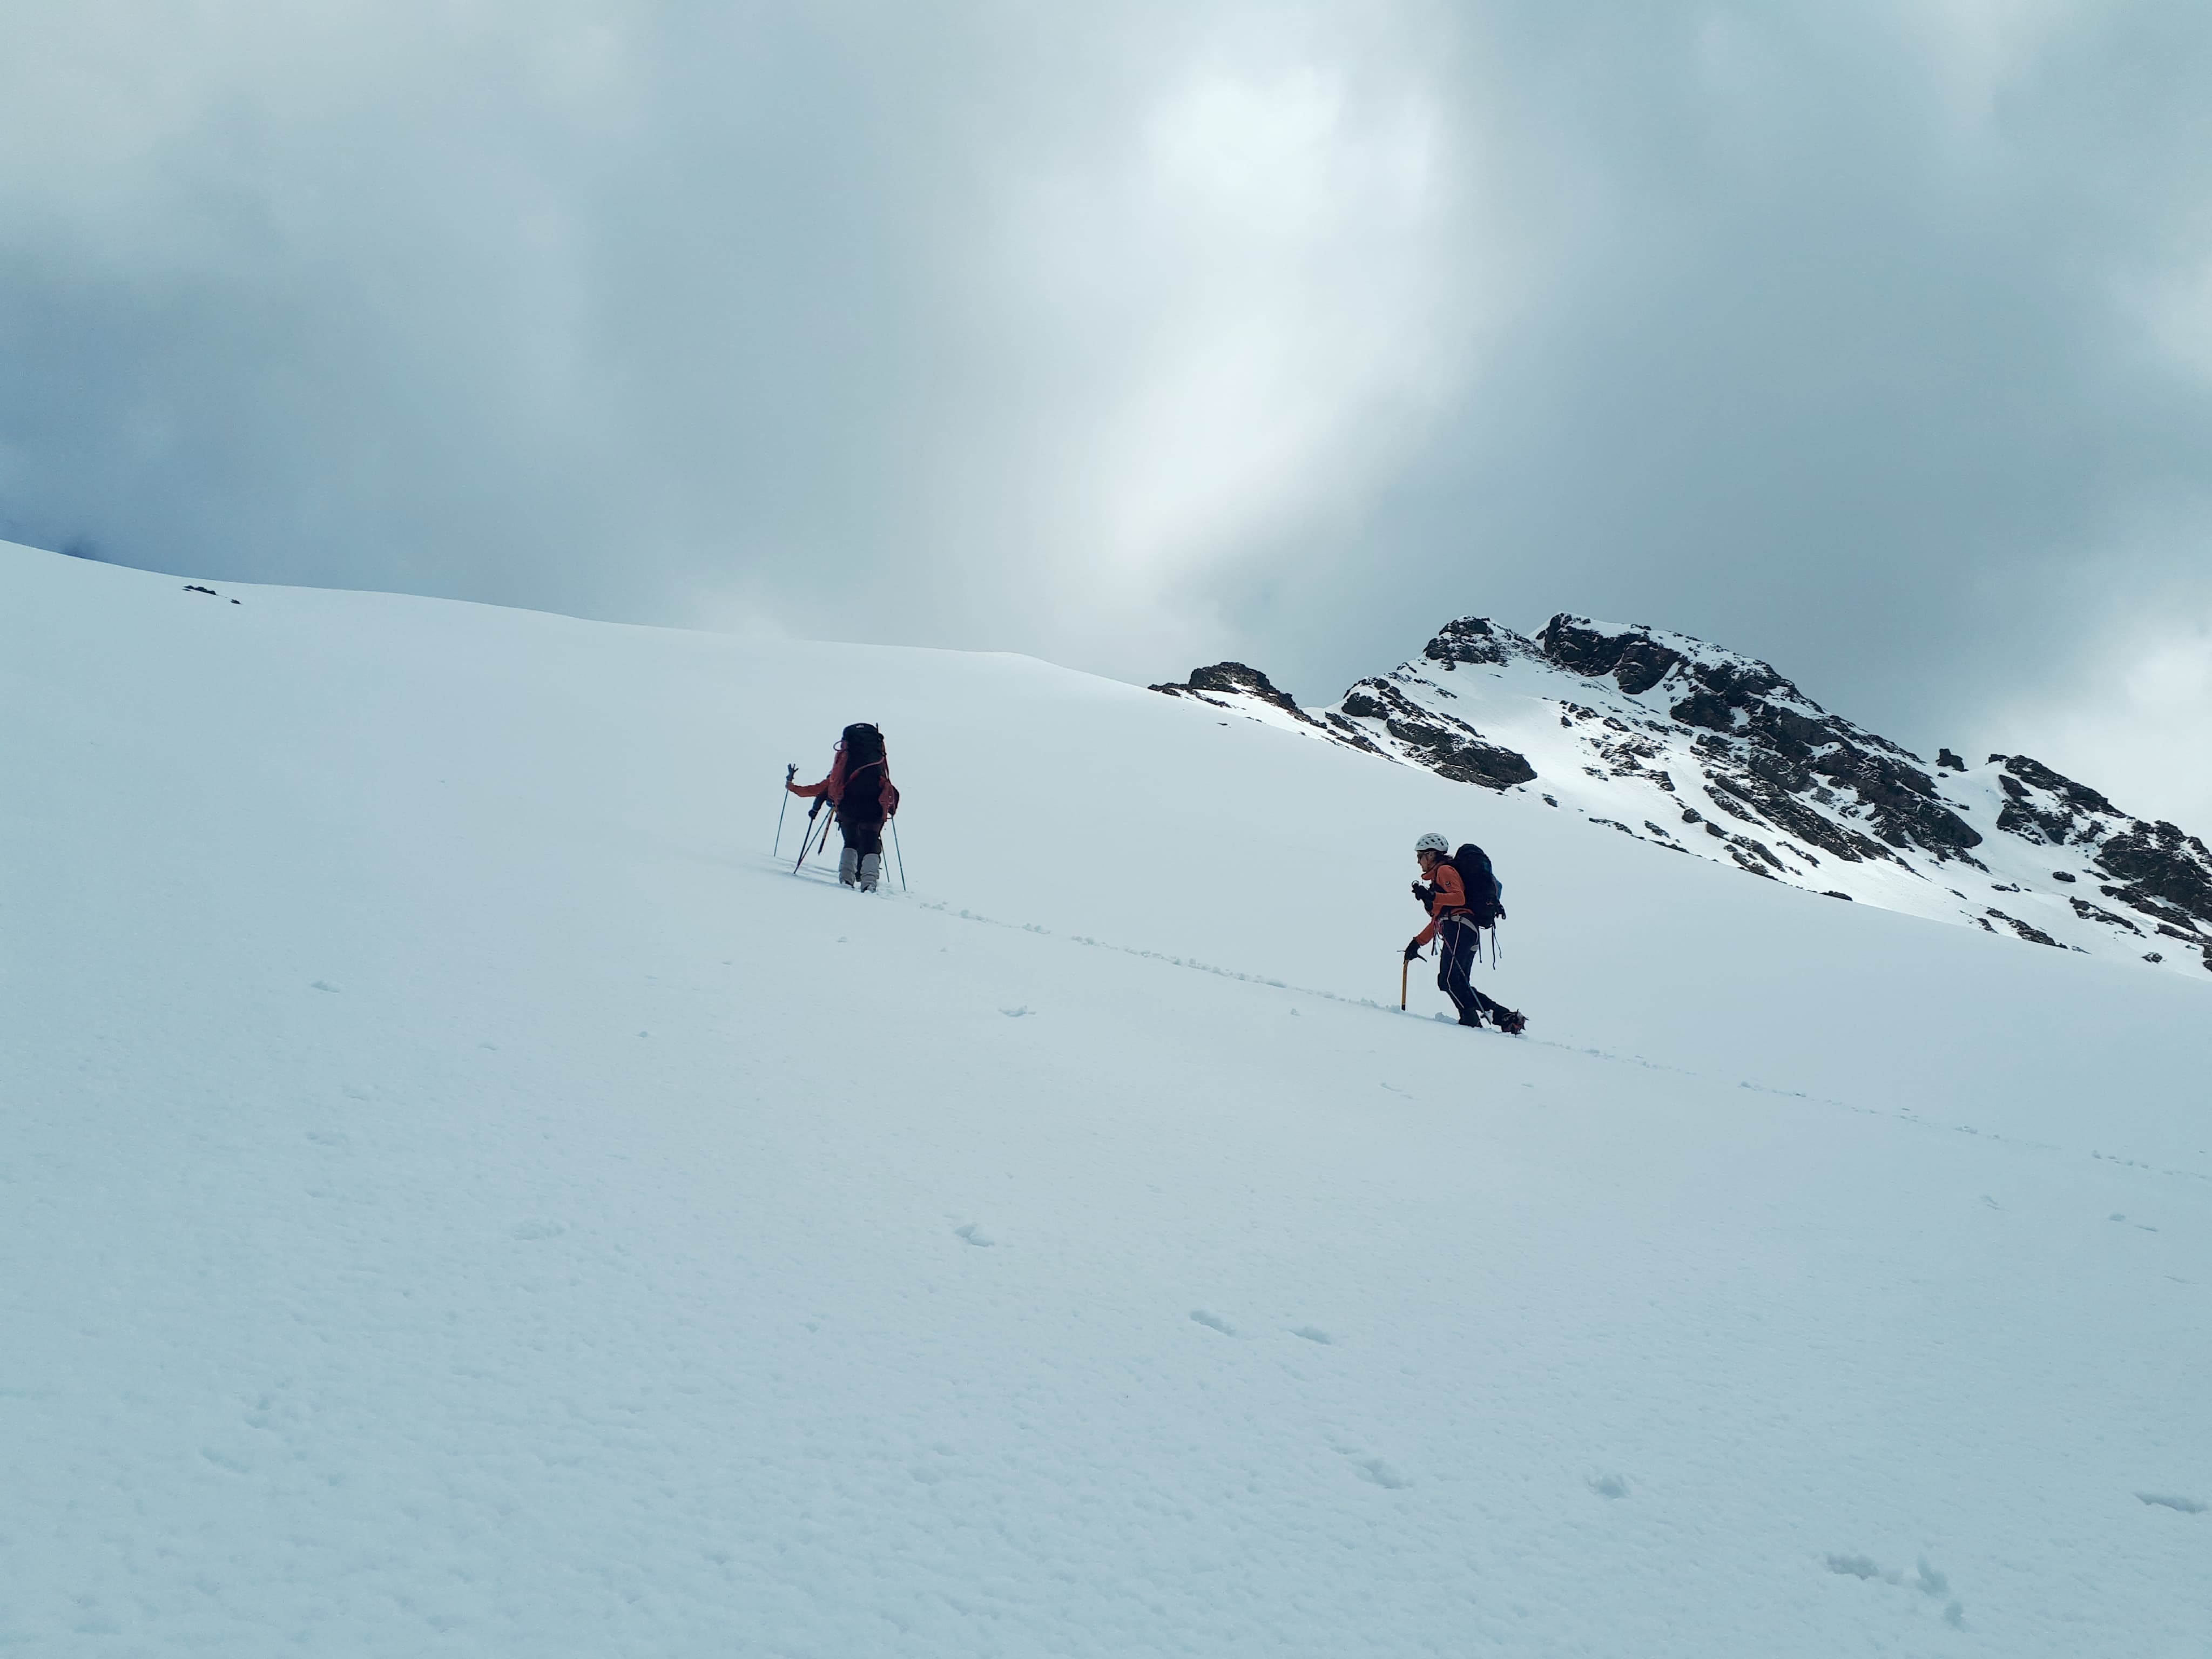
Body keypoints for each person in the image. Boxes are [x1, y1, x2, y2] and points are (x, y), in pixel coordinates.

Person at [1405, 831, 1527, 1034]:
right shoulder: (1438, 878)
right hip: (1461, 929)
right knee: (1456, 982)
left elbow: (1458, 899)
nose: (1419, 861)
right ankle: (1504, 1017)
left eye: (1421, 855)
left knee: (1449, 981)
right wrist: (1417, 943)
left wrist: (1433, 896)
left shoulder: (1444, 870)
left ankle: (1471, 1019)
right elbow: (1440, 919)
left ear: (1432, 854)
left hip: (1460, 928)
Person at [787, 723, 901, 890]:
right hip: (874, 808)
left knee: (851, 842)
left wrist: (790, 785)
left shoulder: (841, 773)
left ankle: (846, 880)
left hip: (849, 807)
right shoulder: (876, 765)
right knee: (871, 843)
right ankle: (869, 883)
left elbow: (817, 791)